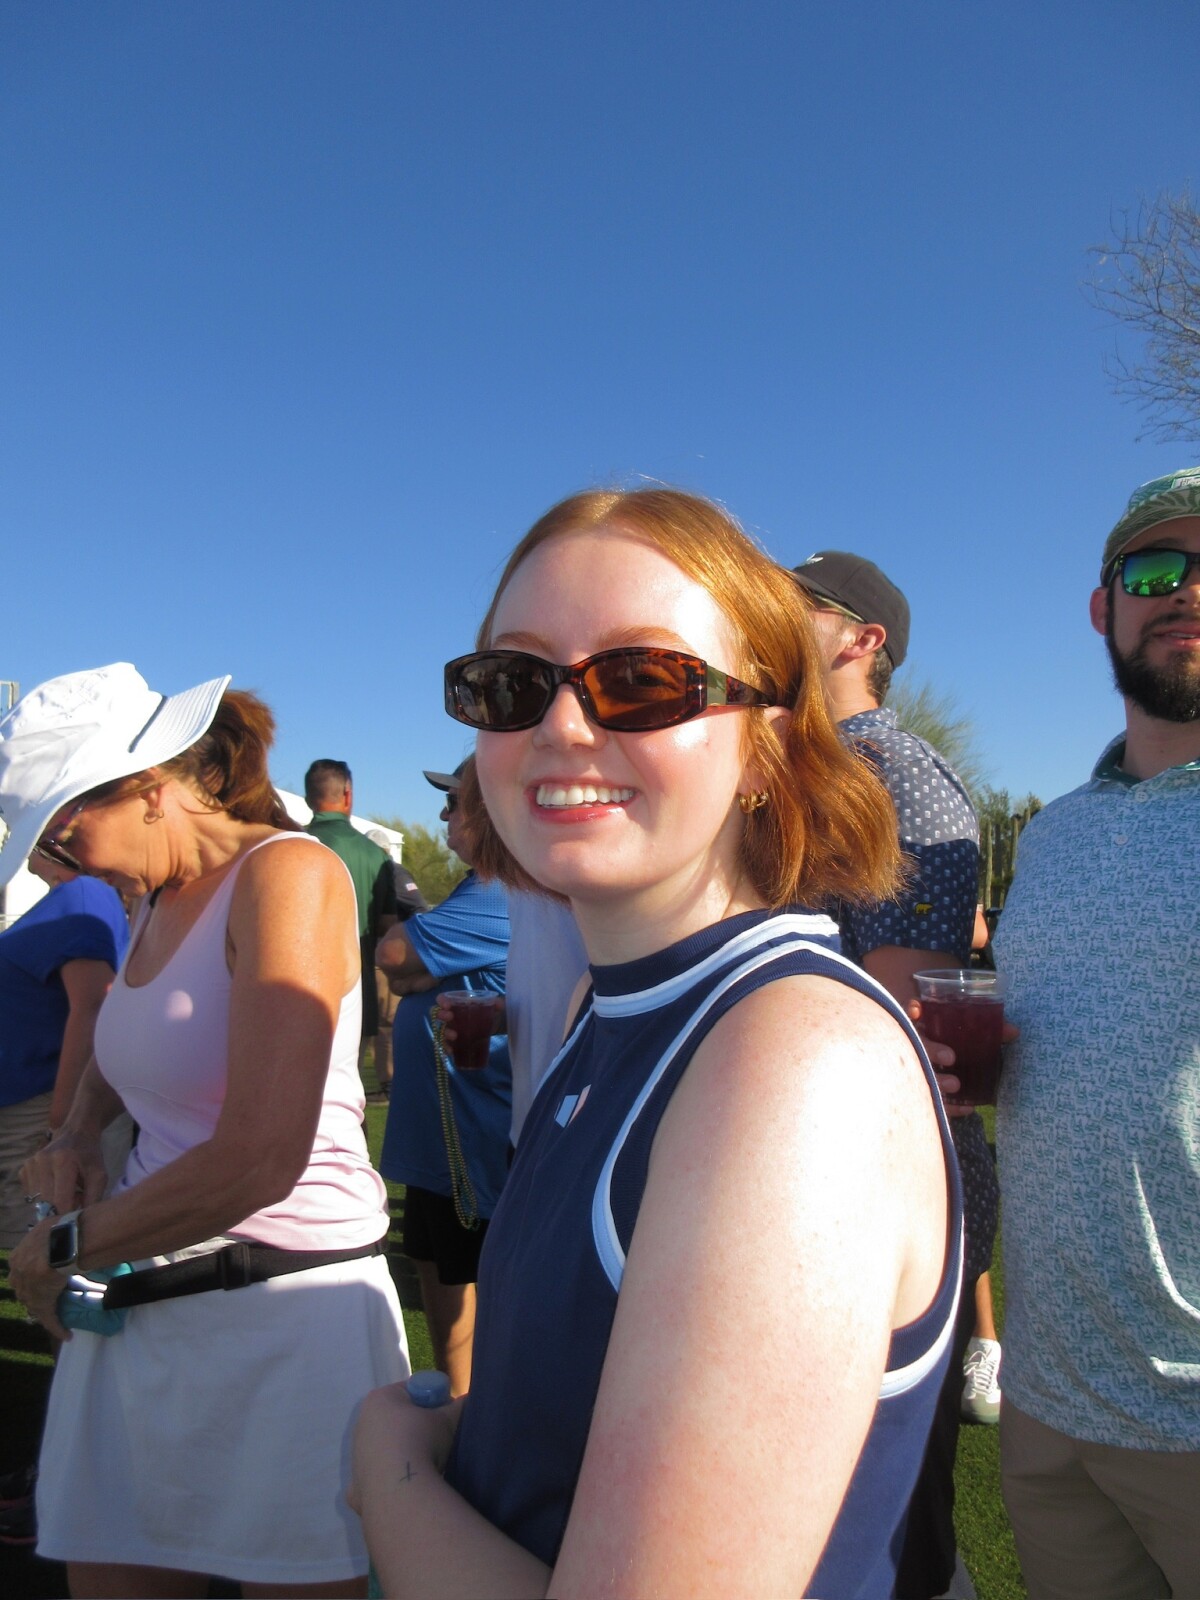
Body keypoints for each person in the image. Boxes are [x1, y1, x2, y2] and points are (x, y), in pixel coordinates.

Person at [352, 487, 963, 1598]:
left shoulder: (796, 1063)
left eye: (643, 679)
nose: (561, 726)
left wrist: (385, 1468)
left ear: (768, 746)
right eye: (512, 682)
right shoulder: (615, 1013)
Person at [3, 662, 409, 1599]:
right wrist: (76, 1134)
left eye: (62, 833)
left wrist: (60, 1246)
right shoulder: (149, 897)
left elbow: (261, 1158)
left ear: (149, 787)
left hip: (287, 1320)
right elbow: (128, 1042)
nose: (57, 863)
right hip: (144, 1305)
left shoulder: (288, 875)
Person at [988, 469, 1200, 1599]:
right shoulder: (1053, 836)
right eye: (1157, 568)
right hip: (1051, 1398)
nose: (1188, 591)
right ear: (1103, 606)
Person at [792, 549, 997, 1596]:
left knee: (885, 1511)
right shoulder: (800, 767)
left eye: (798, 605)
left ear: (861, 640)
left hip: (876, 1188)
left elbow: (905, 1023)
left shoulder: (894, 773)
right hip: (801, 1169)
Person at [375, 760, 510, 1397]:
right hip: (447, 1138)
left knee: (465, 1282)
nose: (443, 815)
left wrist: (422, 973)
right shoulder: (472, 888)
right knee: (435, 1264)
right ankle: (460, 1405)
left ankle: (465, 1411)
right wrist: (425, 973)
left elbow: (392, 955)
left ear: (492, 812)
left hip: (469, 1140)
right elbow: (406, 969)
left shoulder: (494, 891)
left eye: (454, 803)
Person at [0, 854, 127, 1250]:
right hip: (29, 1106)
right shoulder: (71, 897)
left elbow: (93, 1003)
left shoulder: (83, 894)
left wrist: (64, 1122)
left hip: (38, 1110)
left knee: (32, 1242)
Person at [304, 760, 398, 1079]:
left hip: (299, 991)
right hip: (357, 991)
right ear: (348, 795)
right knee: (347, 1085)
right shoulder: (377, 856)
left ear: (308, 797)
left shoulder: (288, 845)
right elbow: (387, 927)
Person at [364, 830, 429, 1100]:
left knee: (385, 1022)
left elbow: (418, 909)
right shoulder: (378, 872)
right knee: (373, 1023)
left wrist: (403, 947)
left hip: (384, 960)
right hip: (369, 957)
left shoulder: (394, 873)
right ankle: (384, 1083)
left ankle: (389, 1084)